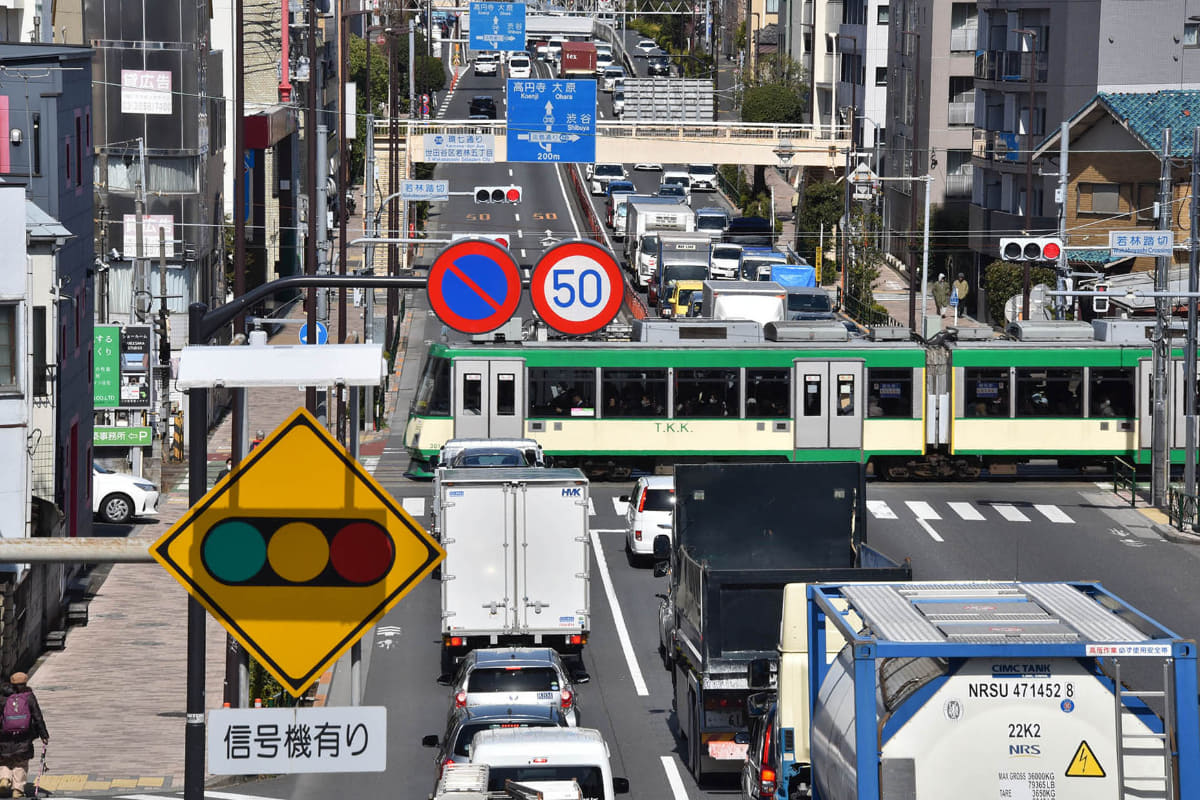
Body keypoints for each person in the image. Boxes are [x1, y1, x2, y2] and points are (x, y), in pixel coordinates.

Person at [0, 673, 48, 798]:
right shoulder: (29, 697)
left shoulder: (3, 697)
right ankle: (18, 789)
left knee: (4, 760)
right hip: (24, 736)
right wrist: (44, 734)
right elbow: (37, 716)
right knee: (20, 763)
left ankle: (4, 778)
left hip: (4, 736)